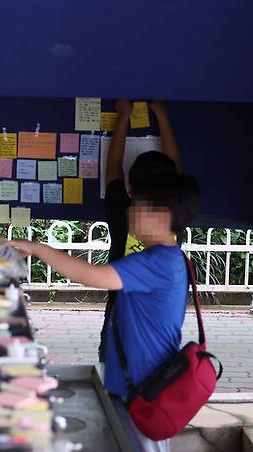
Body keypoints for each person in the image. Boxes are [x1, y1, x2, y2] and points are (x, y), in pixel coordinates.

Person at [10, 171, 200, 451]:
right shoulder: (165, 258)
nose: (129, 210)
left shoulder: (157, 262)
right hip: (140, 386)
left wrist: (37, 248)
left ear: (161, 217)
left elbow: (91, 276)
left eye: (136, 205)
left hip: (144, 391)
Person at [99, 99, 182, 362]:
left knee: (114, 381)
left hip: (120, 318)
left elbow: (112, 166)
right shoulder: (175, 214)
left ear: (131, 188)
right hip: (160, 329)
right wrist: (161, 113)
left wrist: (124, 115)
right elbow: (175, 164)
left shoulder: (122, 210)